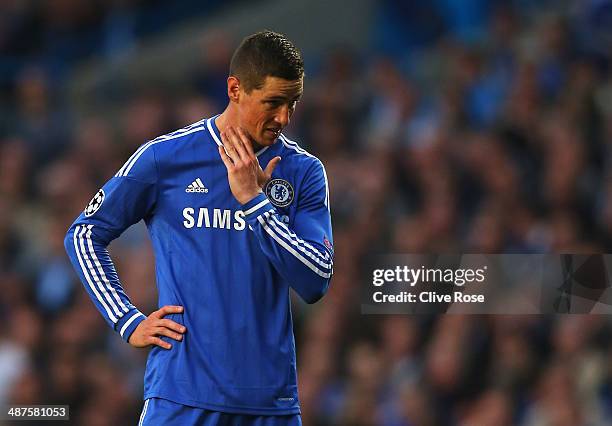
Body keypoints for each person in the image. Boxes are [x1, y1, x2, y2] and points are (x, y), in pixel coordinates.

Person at [64, 30, 333, 425]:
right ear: (235, 89)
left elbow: (316, 279)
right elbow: (84, 234)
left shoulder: (304, 172)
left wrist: (255, 204)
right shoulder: (166, 158)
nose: (284, 118)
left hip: (268, 405)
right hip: (181, 398)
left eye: (292, 103)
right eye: (273, 103)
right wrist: (127, 320)